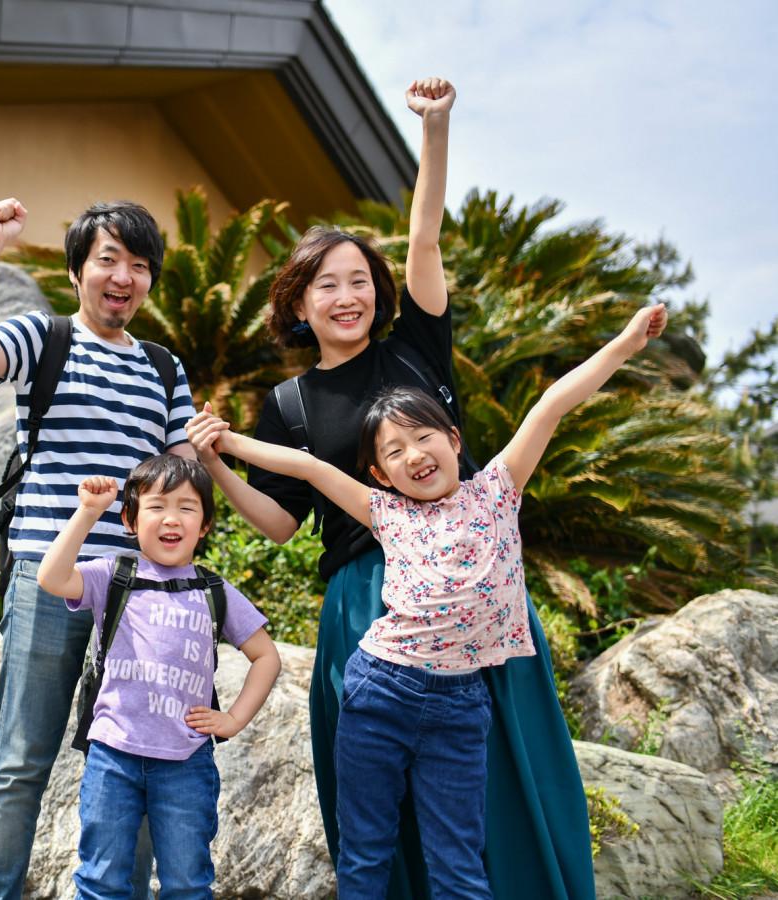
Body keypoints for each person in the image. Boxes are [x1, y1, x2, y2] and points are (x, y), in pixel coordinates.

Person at [186, 77, 599, 897]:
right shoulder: (290, 404)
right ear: (298, 304)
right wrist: (218, 465)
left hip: (474, 586)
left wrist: (436, 131)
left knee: (499, 764)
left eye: (358, 279)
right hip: (363, 599)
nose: (347, 295)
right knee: (379, 808)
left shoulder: (417, 348)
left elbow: (425, 238)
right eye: (326, 285)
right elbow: (279, 522)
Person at [193, 302, 667, 897]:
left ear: (454, 438)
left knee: (459, 860)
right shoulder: (382, 510)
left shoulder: (497, 488)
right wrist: (224, 442)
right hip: (380, 691)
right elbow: (306, 467)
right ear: (381, 475)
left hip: (461, 703)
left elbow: (552, 404)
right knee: (367, 852)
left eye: (424, 437)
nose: (414, 454)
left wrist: (625, 344)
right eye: (394, 452)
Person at [0, 198, 197, 900]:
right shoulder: (41, 337)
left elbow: (181, 483)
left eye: (140, 266)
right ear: (78, 269)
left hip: (137, 596)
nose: (123, 277)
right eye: (109, 259)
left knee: (139, 759)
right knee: (22, 758)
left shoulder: (166, 370)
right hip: (48, 579)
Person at [36, 454, 281, 899]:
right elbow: (51, 578)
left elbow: (266, 656)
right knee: (100, 879)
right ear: (130, 519)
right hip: (113, 754)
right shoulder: (114, 575)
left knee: (188, 882)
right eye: (157, 506)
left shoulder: (213, 590)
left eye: (187, 508)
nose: (172, 519)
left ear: (204, 525)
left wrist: (234, 720)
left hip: (187, 762)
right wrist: (88, 512)